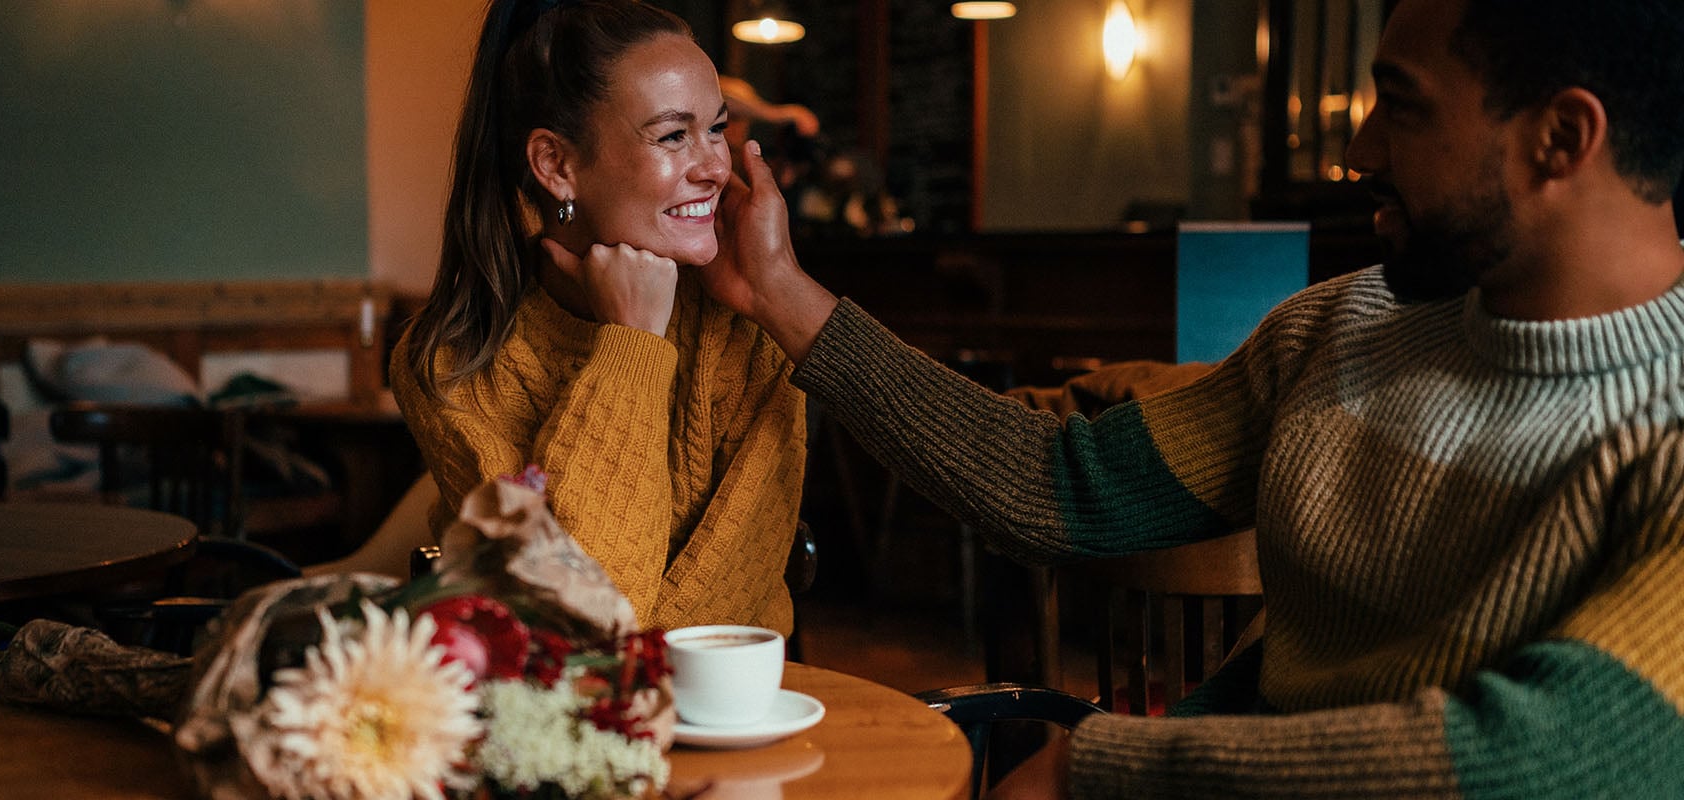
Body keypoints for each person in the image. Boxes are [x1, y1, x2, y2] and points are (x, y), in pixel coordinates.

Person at [700, 0, 1684, 795]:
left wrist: (1102, 769)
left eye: (1403, 105)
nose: (1359, 149)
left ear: (1561, 137)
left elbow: (1541, 759)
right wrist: (780, 293)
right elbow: (1061, 484)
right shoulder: (1342, 326)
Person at [394, 0, 807, 635]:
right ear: (556, 165)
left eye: (717, 128)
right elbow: (578, 620)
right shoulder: (451, 361)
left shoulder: (746, 327)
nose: (715, 167)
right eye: (673, 136)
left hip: (739, 693)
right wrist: (631, 346)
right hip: (556, 697)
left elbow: (727, 613)